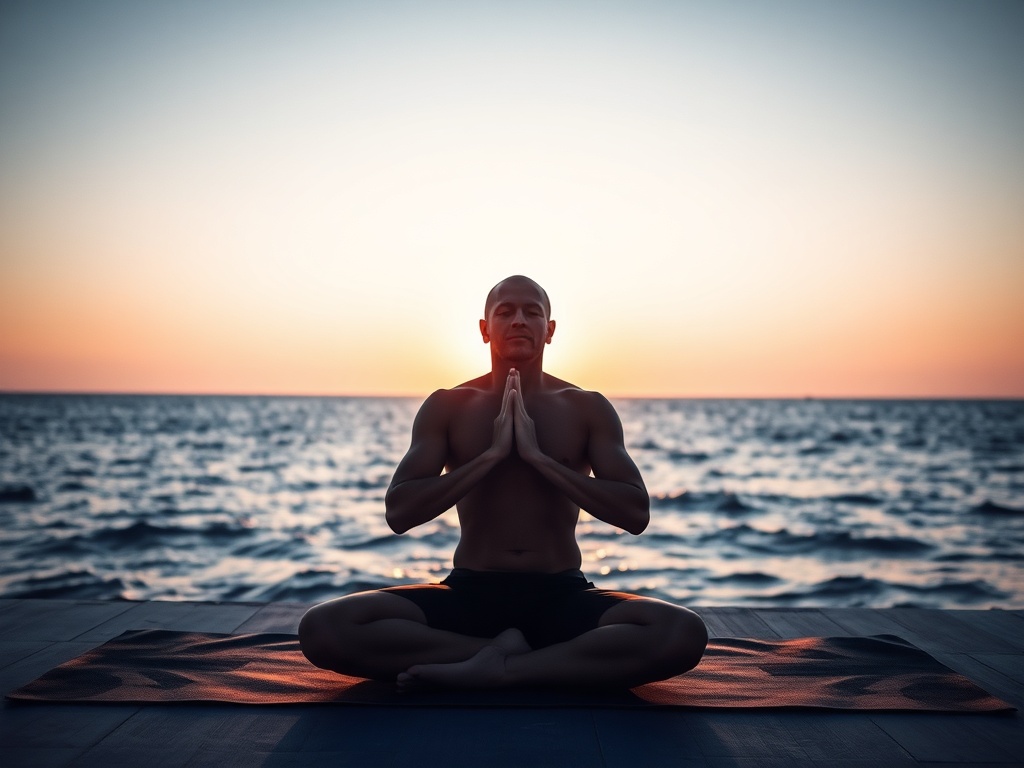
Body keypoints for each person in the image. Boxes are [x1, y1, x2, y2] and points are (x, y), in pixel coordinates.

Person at [299, 275, 707, 690]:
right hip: (469, 592)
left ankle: (502, 666)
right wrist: (491, 455)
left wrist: (538, 457)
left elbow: (635, 513)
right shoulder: (447, 405)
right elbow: (400, 512)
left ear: (549, 330)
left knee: (682, 632)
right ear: (484, 328)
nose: (518, 321)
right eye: (505, 312)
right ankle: (517, 658)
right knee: (324, 627)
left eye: (533, 312)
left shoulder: (587, 407)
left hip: (561, 593)